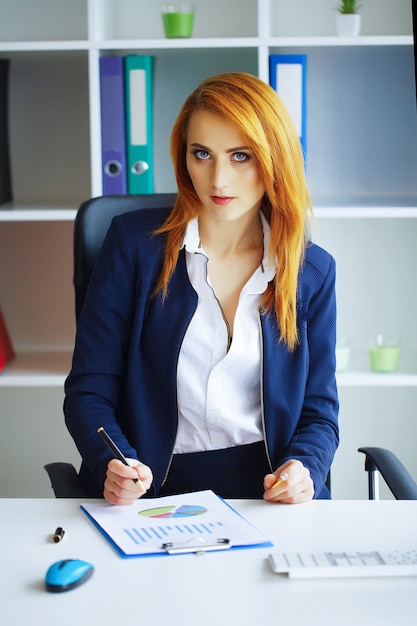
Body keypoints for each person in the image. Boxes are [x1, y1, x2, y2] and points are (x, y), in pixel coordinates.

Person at [64, 72, 339, 506]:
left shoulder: (311, 271)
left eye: (241, 156)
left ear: (273, 160)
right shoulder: (134, 247)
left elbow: (319, 410)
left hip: (268, 497)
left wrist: (305, 467)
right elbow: (89, 389)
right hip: (152, 490)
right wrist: (113, 462)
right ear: (183, 157)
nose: (218, 179)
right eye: (202, 154)